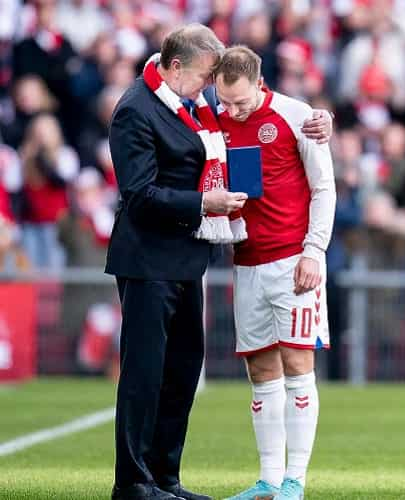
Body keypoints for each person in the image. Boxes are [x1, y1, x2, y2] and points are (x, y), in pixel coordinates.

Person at [106, 25, 332, 500]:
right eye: (207, 77)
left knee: (185, 369)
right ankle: (134, 483)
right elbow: (138, 194)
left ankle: (169, 477)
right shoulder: (140, 109)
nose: (216, 93)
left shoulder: (209, 109)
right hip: (153, 259)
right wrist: (205, 205)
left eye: (219, 82)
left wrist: (322, 120)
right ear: (175, 67)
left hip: (199, 261)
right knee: (147, 372)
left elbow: (313, 175)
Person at [212, 46, 335, 500]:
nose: (233, 109)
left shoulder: (296, 115)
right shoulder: (215, 117)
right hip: (246, 261)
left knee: (299, 364)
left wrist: (313, 251)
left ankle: (295, 481)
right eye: (224, 100)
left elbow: (324, 188)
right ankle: (267, 478)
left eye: (241, 102)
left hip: (293, 261)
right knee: (260, 369)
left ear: (260, 83)